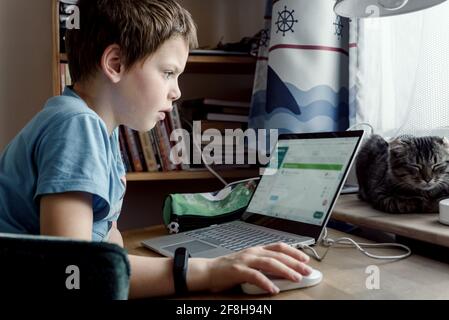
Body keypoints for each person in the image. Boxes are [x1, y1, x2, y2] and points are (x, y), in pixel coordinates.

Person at [0, 0, 312, 298]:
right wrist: (210, 271)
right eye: (168, 72)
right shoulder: (76, 126)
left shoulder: (96, 128)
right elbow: (77, 272)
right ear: (116, 63)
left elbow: (106, 240)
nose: (177, 91)